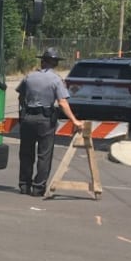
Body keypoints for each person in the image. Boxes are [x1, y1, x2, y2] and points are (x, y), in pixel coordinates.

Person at [16, 46, 82, 196]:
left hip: (28, 118)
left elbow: (21, 97)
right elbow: (63, 102)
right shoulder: (56, 80)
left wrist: (23, 112)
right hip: (45, 119)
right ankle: (38, 187)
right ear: (55, 63)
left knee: (26, 153)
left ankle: (24, 185)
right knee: (44, 155)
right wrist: (74, 120)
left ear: (42, 62)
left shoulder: (29, 77)